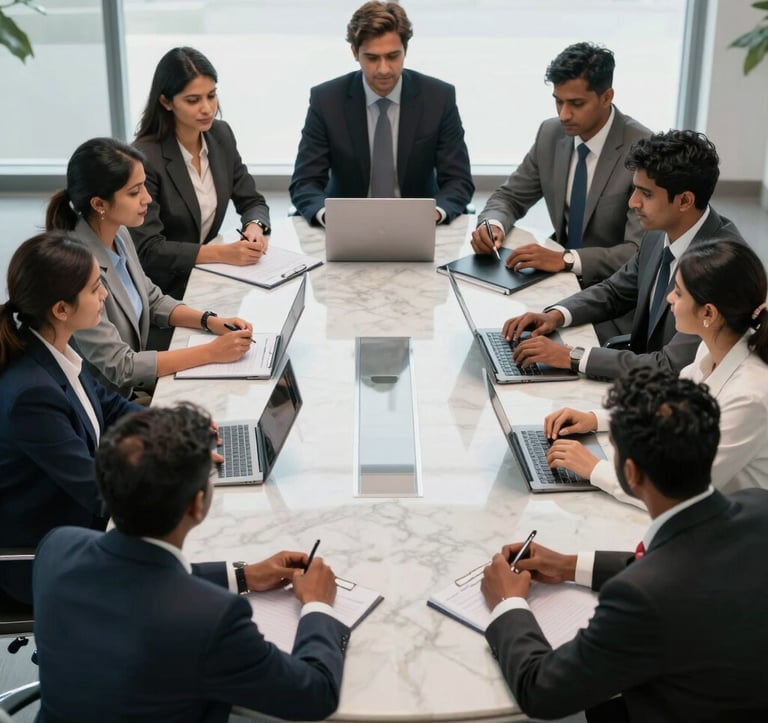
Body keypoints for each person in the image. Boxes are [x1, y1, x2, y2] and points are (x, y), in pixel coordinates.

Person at [481, 368, 768, 722]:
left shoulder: (641, 597)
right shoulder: (758, 504)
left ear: (630, 473)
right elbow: (693, 565)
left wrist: (508, 604)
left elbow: (541, 692)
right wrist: (569, 565)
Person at [33, 403, 349, 722]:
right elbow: (315, 693)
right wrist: (317, 605)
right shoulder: (213, 619)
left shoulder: (56, 547)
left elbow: (136, 577)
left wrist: (243, 576)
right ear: (197, 506)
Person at [503, 129, 744, 380]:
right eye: (634, 190)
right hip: (639, 380)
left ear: (684, 201)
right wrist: (556, 315)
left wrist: (571, 356)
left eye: (646, 194)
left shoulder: (723, 268)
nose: (633, 203)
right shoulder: (659, 231)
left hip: (679, 400)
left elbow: (672, 366)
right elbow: (616, 291)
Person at [543, 239, 768, 506]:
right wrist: (595, 419)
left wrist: (594, 468)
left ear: (709, 312)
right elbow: (668, 406)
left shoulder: (751, 396)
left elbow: (685, 491)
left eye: (679, 293)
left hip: (734, 532)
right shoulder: (715, 347)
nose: (669, 297)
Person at [46, 137, 255, 399]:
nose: (146, 199)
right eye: (134, 192)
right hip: (108, 404)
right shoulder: (77, 269)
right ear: (99, 204)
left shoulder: (120, 234)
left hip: (131, 390)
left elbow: (152, 299)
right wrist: (212, 352)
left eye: (144, 186)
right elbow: (121, 367)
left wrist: (210, 321)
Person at [0, 232, 140, 605]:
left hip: (77, 523)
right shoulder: (32, 395)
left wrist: (176, 429)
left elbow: (109, 406)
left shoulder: (55, 344)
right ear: (61, 309)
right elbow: (98, 491)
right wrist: (176, 475)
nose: (105, 296)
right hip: (43, 555)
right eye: (95, 289)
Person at [472, 42, 651, 293]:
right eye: (558, 102)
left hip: (612, 289)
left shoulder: (643, 149)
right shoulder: (550, 133)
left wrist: (566, 259)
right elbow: (510, 197)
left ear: (607, 97)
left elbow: (638, 250)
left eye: (576, 104)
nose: (564, 114)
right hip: (555, 279)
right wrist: (492, 225)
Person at [289, 1, 474, 227]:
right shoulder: (327, 100)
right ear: (355, 53)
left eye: (393, 56)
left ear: (406, 50)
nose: (384, 69)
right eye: (372, 58)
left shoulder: (438, 97)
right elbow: (305, 182)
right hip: (347, 226)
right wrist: (329, 216)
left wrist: (434, 214)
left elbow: (458, 180)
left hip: (419, 226)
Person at [131, 47, 271, 300]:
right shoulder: (144, 158)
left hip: (209, 279)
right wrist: (222, 253)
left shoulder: (221, 135)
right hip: (163, 292)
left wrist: (254, 228)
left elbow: (252, 200)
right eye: (193, 100)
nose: (207, 109)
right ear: (166, 102)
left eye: (212, 95)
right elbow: (149, 250)